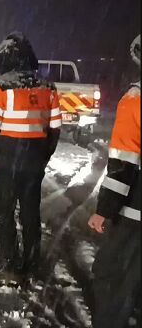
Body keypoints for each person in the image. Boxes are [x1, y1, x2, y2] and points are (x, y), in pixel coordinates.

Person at [0, 31, 62, 282]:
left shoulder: (1, 87)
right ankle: (32, 264)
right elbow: (55, 128)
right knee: (30, 214)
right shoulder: (48, 88)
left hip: (7, 159)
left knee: (3, 213)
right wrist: (43, 157)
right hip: (34, 160)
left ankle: (10, 266)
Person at [87, 34, 140, 328]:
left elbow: (123, 164)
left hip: (134, 214)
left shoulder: (135, 100)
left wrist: (104, 210)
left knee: (112, 275)